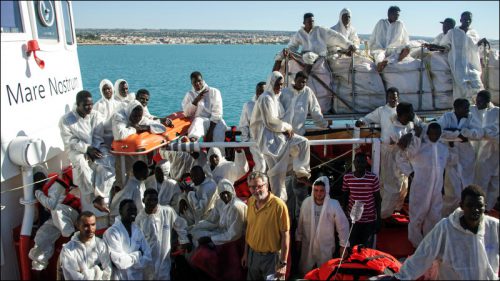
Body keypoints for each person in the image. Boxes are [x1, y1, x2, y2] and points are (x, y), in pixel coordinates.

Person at [394, 185, 499, 280]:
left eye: (479, 206)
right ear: (461, 206)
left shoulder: (494, 227)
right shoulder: (446, 228)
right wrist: (402, 277)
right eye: (470, 205)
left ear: (485, 206)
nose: (475, 210)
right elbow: (424, 254)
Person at [249, 71, 311, 202]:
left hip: (278, 137)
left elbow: (278, 120)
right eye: (278, 84)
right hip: (268, 141)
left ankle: (301, 172)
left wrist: (285, 128)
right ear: (272, 83)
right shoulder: (266, 98)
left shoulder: (275, 98)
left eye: (282, 84)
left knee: (303, 143)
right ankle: (278, 204)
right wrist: (286, 127)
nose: (280, 87)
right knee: (277, 177)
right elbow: (270, 121)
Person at [396, 122, 458, 248]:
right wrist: (410, 172)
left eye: (437, 133)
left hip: (436, 189)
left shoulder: (443, 148)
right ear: (427, 133)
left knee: (434, 216)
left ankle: (430, 244)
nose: (434, 135)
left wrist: (452, 146)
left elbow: (452, 161)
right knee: (417, 215)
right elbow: (401, 157)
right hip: (420, 188)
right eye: (432, 133)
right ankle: (416, 244)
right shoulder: (420, 147)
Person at [59, 90, 115, 210]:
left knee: (108, 162)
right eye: (85, 105)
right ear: (78, 104)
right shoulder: (66, 120)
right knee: (82, 165)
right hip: (76, 150)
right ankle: (92, 197)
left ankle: (101, 196)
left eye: (90, 104)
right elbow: (69, 141)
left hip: (96, 146)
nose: (89, 107)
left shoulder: (96, 115)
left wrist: (93, 150)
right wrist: (86, 149)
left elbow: (98, 136)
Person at [29, 165, 79, 271]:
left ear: (45, 175)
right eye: (36, 178)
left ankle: (73, 239)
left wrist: (38, 193)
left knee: (57, 209)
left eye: (40, 176)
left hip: (72, 214)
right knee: (42, 235)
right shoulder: (43, 189)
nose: (39, 179)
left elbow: (51, 205)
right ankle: (38, 266)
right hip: (58, 218)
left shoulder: (55, 184)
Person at [296, 176, 350, 276]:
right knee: (306, 272)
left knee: (325, 273)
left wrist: (343, 245)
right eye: (316, 190)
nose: (318, 193)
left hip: (325, 246)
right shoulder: (306, 203)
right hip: (308, 245)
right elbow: (300, 223)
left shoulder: (333, 204)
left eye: (321, 190)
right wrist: (298, 239)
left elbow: (342, 226)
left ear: (326, 191)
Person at [241, 172, 290, 280]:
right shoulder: (251, 201)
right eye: (252, 187)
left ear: (267, 186)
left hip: (272, 258)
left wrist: (283, 263)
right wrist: (246, 253)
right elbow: (249, 229)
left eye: (259, 186)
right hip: (253, 255)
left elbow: (285, 235)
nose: (256, 190)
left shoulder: (279, 205)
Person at [439, 98, 483, 216]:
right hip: (451, 156)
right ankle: (448, 216)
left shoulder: (471, 117)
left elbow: (479, 134)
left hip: (466, 156)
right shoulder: (447, 117)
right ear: (456, 108)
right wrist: (458, 135)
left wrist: (463, 132)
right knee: (451, 189)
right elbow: (439, 132)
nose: (468, 110)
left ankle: (466, 215)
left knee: (467, 186)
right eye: (465, 107)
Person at [136, 188, 191, 280]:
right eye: (149, 200)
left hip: (164, 258)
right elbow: (137, 240)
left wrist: (184, 239)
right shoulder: (139, 219)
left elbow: (180, 224)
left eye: (155, 200)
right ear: (143, 200)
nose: (152, 202)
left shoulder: (167, 211)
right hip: (148, 261)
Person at [440, 11, 489, 101]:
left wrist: (481, 43)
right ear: (460, 20)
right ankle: (463, 108)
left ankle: (479, 109)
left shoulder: (474, 33)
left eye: (469, 20)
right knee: (462, 88)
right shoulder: (453, 32)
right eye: (465, 19)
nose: (467, 21)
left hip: (473, 66)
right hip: (458, 66)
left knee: (477, 86)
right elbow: (444, 45)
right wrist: (434, 47)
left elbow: (477, 48)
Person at [103, 199, 152, 280]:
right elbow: (120, 263)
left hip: (137, 277)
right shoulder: (112, 232)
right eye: (129, 210)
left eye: (134, 210)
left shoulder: (138, 231)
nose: (133, 212)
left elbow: (148, 257)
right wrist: (138, 254)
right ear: (120, 211)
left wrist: (128, 260)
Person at [191, 179, 248, 247]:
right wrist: (197, 226)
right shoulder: (219, 202)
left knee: (202, 244)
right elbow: (212, 220)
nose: (225, 196)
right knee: (195, 232)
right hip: (221, 232)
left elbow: (234, 234)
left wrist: (211, 239)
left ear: (232, 191)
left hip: (234, 240)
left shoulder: (237, 206)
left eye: (227, 192)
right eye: (222, 193)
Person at [342, 152, 381, 247]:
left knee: (366, 249)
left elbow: (378, 199)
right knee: (352, 247)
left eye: (362, 162)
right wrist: (344, 217)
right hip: (353, 221)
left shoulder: (373, 178)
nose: (360, 164)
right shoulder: (347, 177)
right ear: (354, 162)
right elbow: (345, 197)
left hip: (369, 221)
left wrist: (378, 220)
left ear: (366, 163)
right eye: (358, 162)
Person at [60, 211, 112, 280]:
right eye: (86, 226)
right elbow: (74, 277)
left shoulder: (101, 244)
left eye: (93, 224)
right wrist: (97, 270)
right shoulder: (68, 249)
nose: (91, 229)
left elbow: (108, 271)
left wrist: (84, 272)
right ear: (78, 225)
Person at [471, 90, 499, 211]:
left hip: (494, 153)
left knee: (495, 184)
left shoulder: (496, 112)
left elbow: (494, 131)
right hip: (478, 155)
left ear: (488, 102)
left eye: (480, 101)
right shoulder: (471, 111)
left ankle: (488, 208)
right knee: (480, 182)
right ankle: (478, 207)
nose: (477, 103)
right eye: (476, 101)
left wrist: (486, 133)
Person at [182, 71, 228, 143]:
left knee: (217, 138)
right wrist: (196, 100)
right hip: (200, 121)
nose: (197, 83)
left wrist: (210, 131)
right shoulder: (189, 94)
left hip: (215, 122)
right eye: (194, 82)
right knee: (197, 122)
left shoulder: (214, 92)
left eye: (199, 81)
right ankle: (192, 146)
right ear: (191, 83)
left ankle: (216, 152)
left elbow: (217, 113)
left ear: (203, 80)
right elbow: (187, 113)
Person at [280, 71, 329, 136]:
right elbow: (278, 110)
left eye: (303, 82)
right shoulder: (284, 92)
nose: (301, 84)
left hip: (298, 132)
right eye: (299, 81)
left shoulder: (307, 92)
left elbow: (315, 109)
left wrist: (324, 124)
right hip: (283, 131)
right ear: (294, 80)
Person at [238, 81, 267, 173]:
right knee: (261, 166)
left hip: (270, 141)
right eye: (258, 91)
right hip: (254, 142)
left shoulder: (273, 105)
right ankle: (258, 185)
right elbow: (243, 125)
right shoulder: (249, 105)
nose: (259, 93)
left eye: (262, 91)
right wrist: (245, 143)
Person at [93, 79, 119, 147]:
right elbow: (98, 125)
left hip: (118, 135)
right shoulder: (98, 105)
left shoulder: (118, 104)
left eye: (108, 88)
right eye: (104, 89)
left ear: (112, 89)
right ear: (101, 91)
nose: (107, 91)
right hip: (104, 138)